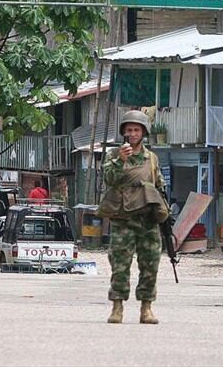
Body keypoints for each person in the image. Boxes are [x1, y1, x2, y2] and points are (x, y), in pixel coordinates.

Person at [98, 110, 169, 325]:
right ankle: (117, 306)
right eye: (129, 130)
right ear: (123, 133)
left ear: (143, 132)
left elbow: (160, 185)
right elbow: (108, 179)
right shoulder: (113, 155)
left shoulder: (151, 158)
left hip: (147, 219)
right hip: (123, 218)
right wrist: (121, 159)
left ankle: (146, 308)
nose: (133, 134)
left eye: (136, 130)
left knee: (150, 264)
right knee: (120, 264)